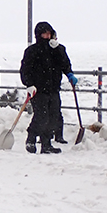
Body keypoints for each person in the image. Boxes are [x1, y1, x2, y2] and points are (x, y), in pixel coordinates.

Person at [20, 21, 77, 154]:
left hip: (53, 88)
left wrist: (69, 74)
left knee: (53, 116)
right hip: (38, 90)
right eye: (44, 33)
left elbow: (65, 64)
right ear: (39, 35)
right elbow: (25, 70)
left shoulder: (58, 49)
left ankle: (46, 144)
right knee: (41, 116)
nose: (47, 36)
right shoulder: (32, 51)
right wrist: (29, 84)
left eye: (49, 33)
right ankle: (31, 138)